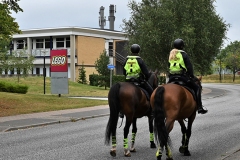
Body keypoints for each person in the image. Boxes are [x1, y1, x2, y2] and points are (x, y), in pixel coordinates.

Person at [168, 38, 208, 114]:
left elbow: (169, 66)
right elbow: (189, 67)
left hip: (172, 78)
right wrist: (191, 76)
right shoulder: (183, 54)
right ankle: (199, 107)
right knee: (197, 88)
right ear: (182, 46)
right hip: (182, 77)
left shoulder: (171, 55)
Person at [119, 44, 153, 118]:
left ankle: (121, 111)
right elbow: (146, 73)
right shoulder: (140, 60)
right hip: (138, 81)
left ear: (131, 50)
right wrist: (146, 78)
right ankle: (152, 110)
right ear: (138, 51)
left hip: (128, 81)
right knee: (151, 92)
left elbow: (124, 72)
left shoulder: (126, 59)